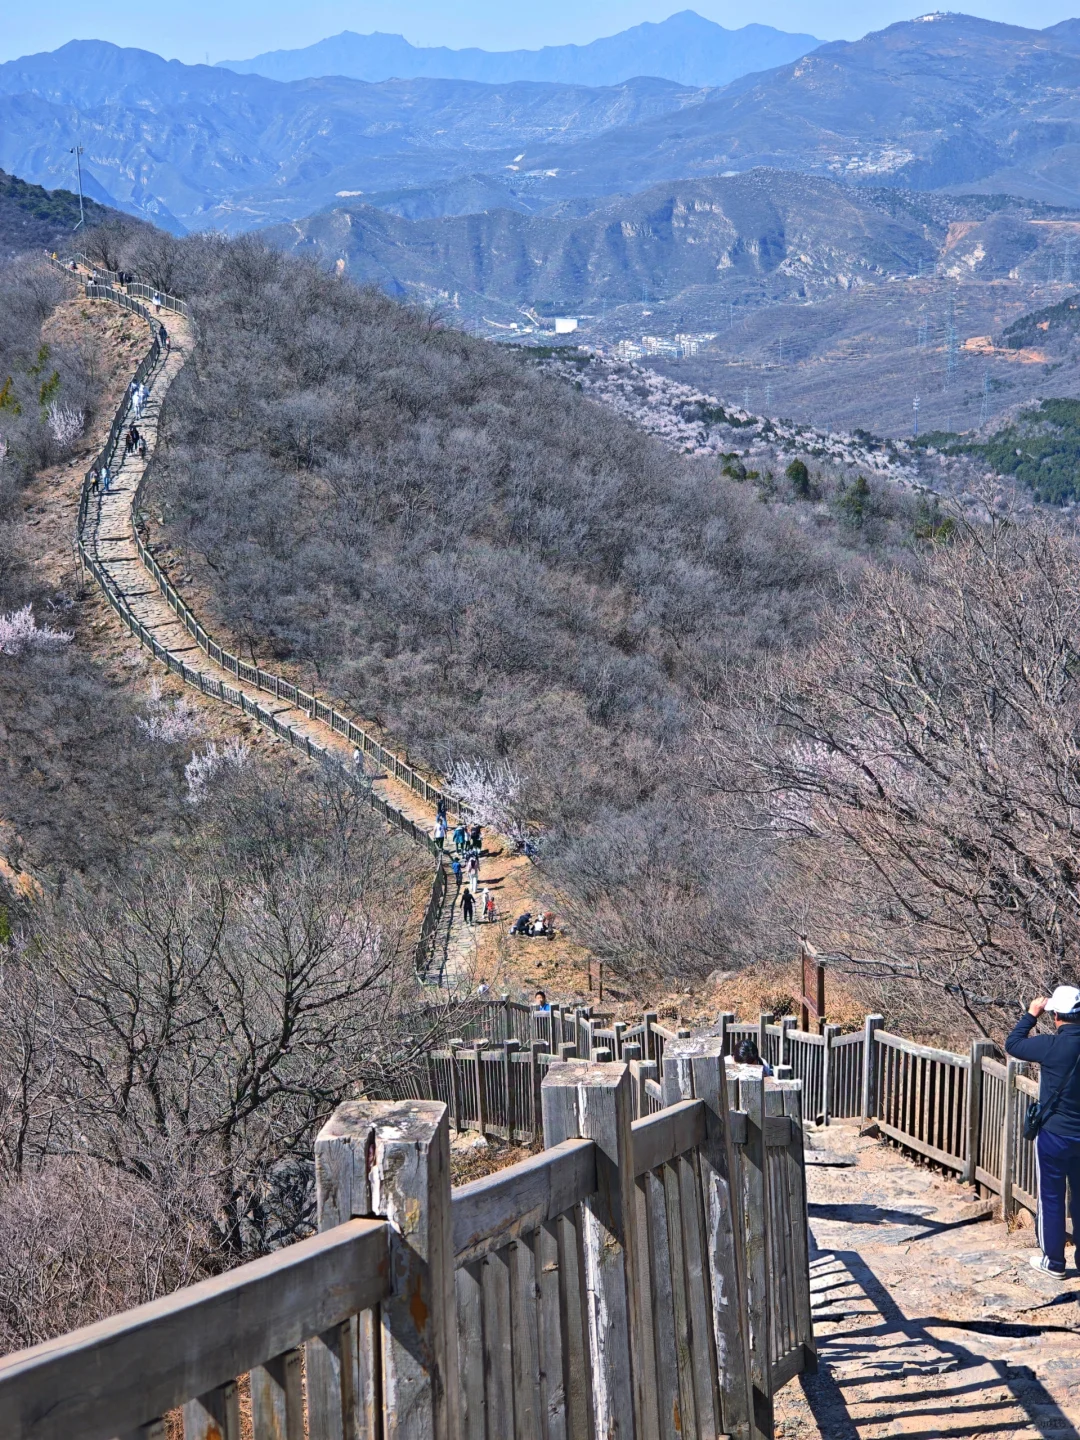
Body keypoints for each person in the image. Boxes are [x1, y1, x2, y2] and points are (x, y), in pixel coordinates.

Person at [1006, 987, 1080, 1278]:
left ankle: (1054, 1262)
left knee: (1051, 1197)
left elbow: (1013, 1044)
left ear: (1056, 1015)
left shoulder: (1049, 1045)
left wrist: (1031, 1015)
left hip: (1054, 1136)